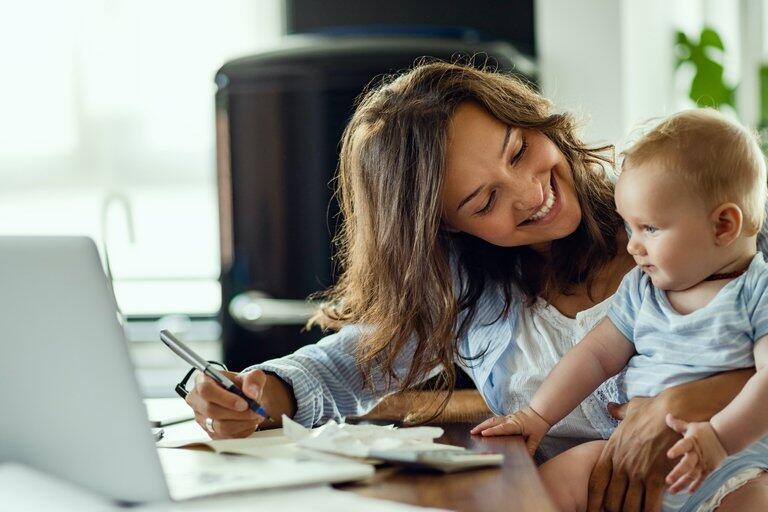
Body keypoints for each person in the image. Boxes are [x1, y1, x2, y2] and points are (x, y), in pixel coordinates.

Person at [183, 61, 768, 510]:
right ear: (442, 227)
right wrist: (257, 395)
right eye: (484, 200)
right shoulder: (469, 291)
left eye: (519, 150)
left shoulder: (681, 211)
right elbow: (345, 367)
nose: (529, 192)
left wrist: (689, 399)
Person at [472, 109, 768, 511]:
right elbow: (594, 356)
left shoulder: (756, 293)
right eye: (629, 228)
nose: (632, 246)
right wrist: (536, 416)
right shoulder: (642, 291)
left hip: (733, 466)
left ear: (723, 227)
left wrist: (718, 439)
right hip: (622, 453)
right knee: (555, 481)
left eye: (649, 229)